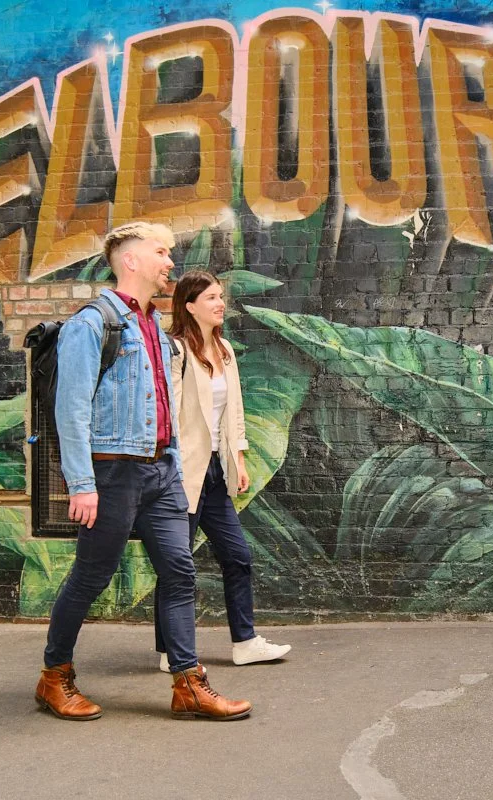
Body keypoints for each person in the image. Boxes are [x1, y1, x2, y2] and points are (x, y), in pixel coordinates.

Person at [35, 223, 251, 722]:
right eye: (162, 252)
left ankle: (188, 683)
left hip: (161, 472)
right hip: (113, 472)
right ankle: (54, 676)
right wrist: (82, 484)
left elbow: (162, 402)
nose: (170, 262)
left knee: (179, 571)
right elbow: (72, 411)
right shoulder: (93, 324)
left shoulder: (153, 325)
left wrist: (173, 456)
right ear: (131, 261)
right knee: (92, 576)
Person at [154, 270, 291, 672]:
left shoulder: (225, 349)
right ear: (190, 306)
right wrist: (171, 470)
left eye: (220, 296)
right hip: (184, 473)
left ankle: (245, 642)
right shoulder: (176, 351)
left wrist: (239, 458)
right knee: (175, 563)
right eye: (211, 298)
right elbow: (169, 416)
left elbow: (236, 411)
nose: (220, 304)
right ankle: (168, 651)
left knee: (237, 556)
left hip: (216, 470)